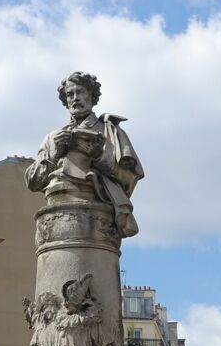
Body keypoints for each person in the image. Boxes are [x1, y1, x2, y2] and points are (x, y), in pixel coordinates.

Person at [25, 71, 144, 237]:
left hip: (96, 213)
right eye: (70, 94)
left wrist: (99, 157)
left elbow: (129, 179)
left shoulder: (110, 132)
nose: (75, 98)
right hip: (55, 212)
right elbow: (32, 182)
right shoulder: (53, 137)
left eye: (80, 92)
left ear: (91, 95)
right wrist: (54, 154)